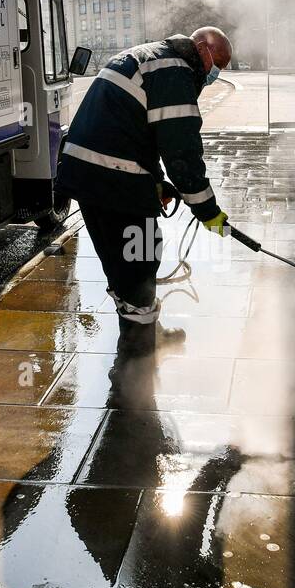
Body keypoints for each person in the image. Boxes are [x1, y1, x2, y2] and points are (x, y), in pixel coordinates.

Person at [53, 27, 232, 355]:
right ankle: (137, 363)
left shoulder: (150, 57)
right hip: (116, 184)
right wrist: (209, 212)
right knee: (140, 264)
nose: (214, 74)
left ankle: (145, 333)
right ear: (203, 50)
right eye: (217, 64)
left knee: (123, 265)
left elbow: (137, 132)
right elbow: (183, 155)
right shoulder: (175, 74)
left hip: (87, 177)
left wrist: (158, 181)